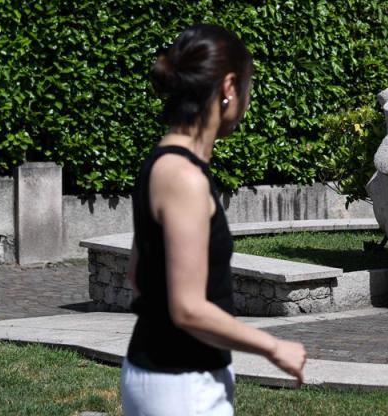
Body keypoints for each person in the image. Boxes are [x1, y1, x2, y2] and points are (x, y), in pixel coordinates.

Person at [122, 24, 306, 416]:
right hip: (181, 384)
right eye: (247, 88)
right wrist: (273, 346)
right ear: (228, 88)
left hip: (164, 376)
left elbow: (138, 278)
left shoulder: (159, 163)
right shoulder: (185, 178)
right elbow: (188, 308)